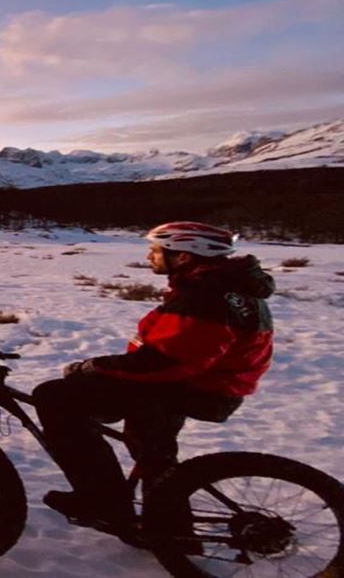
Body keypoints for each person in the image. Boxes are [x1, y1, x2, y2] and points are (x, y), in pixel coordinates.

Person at [33, 221, 275, 533]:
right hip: (206, 383)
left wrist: (93, 367)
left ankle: (103, 500)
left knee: (54, 397)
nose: (150, 256)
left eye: (156, 250)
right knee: (152, 450)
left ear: (184, 256)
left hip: (191, 385)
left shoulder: (206, 296)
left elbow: (165, 362)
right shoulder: (224, 288)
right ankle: (169, 529)